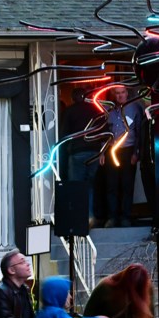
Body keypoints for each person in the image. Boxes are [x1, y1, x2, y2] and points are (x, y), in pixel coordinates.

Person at [100, 85, 144, 228]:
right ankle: (112, 217)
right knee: (111, 185)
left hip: (128, 150)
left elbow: (139, 131)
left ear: (127, 93)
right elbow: (103, 132)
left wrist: (136, 153)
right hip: (112, 150)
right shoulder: (109, 110)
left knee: (127, 184)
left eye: (122, 92)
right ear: (114, 95)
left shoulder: (135, 108)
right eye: (117, 93)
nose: (120, 96)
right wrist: (102, 152)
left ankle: (125, 216)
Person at [61, 88, 104, 228]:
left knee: (76, 186)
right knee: (91, 185)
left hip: (77, 152)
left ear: (73, 98)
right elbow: (104, 131)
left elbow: (64, 134)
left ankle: (78, 219)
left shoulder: (70, 111)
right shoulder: (97, 110)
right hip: (95, 152)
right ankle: (91, 215)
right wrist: (102, 152)